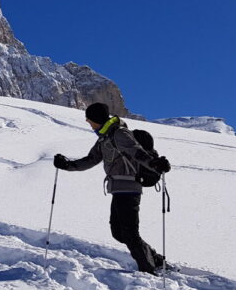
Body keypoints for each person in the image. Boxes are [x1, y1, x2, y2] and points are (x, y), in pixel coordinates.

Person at [54, 102, 171, 274]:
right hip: (118, 189)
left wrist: (154, 164)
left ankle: (149, 270)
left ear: (98, 119)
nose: (88, 122)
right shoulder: (104, 137)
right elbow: (91, 159)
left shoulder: (119, 133)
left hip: (129, 188)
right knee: (118, 232)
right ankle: (156, 260)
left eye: (89, 120)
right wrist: (67, 165)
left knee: (129, 233)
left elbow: (136, 152)